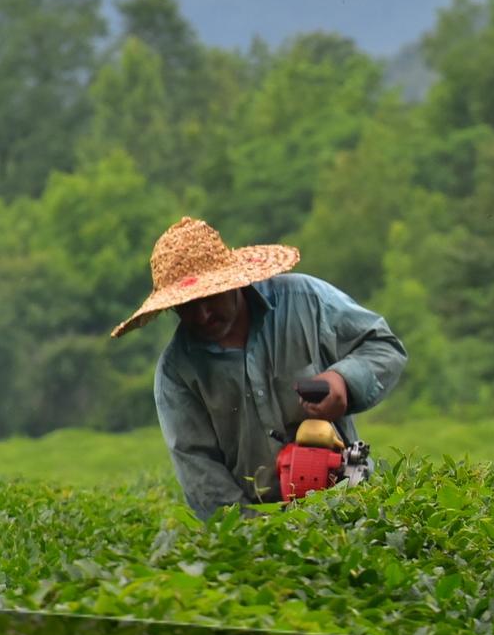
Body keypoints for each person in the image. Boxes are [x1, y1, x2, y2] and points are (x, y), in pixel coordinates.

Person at [111, 216, 407, 519]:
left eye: (210, 298)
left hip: (347, 503)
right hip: (259, 526)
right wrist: (259, 536)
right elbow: (202, 474)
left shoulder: (305, 302)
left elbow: (384, 347)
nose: (202, 315)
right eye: (187, 306)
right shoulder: (177, 374)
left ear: (233, 281)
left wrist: (343, 381)